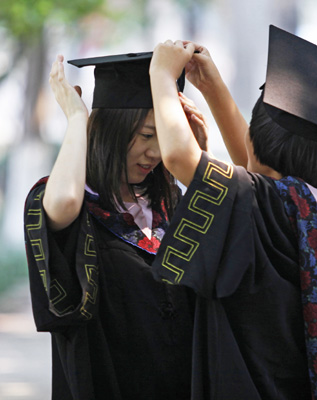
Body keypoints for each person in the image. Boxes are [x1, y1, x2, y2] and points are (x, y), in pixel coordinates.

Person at [149, 26, 317, 399]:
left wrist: (161, 74)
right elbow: (257, 170)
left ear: (255, 141)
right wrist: (212, 88)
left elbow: (181, 157)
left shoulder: (266, 203)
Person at [23, 52, 207, 400]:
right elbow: (65, 202)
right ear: (111, 128)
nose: (156, 152)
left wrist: (199, 163)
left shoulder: (171, 205)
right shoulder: (73, 204)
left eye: (164, 137)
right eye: (147, 135)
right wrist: (77, 118)